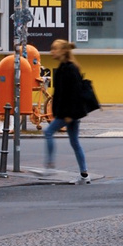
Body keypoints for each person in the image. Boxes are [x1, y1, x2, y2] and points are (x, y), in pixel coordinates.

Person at [43, 39, 90, 182]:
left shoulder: (70, 69)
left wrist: (69, 115)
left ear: (63, 51)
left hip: (68, 113)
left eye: (54, 49)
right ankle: (84, 173)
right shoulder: (63, 67)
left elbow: (74, 93)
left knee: (48, 132)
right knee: (74, 142)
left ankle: (50, 165)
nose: (52, 52)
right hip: (67, 112)